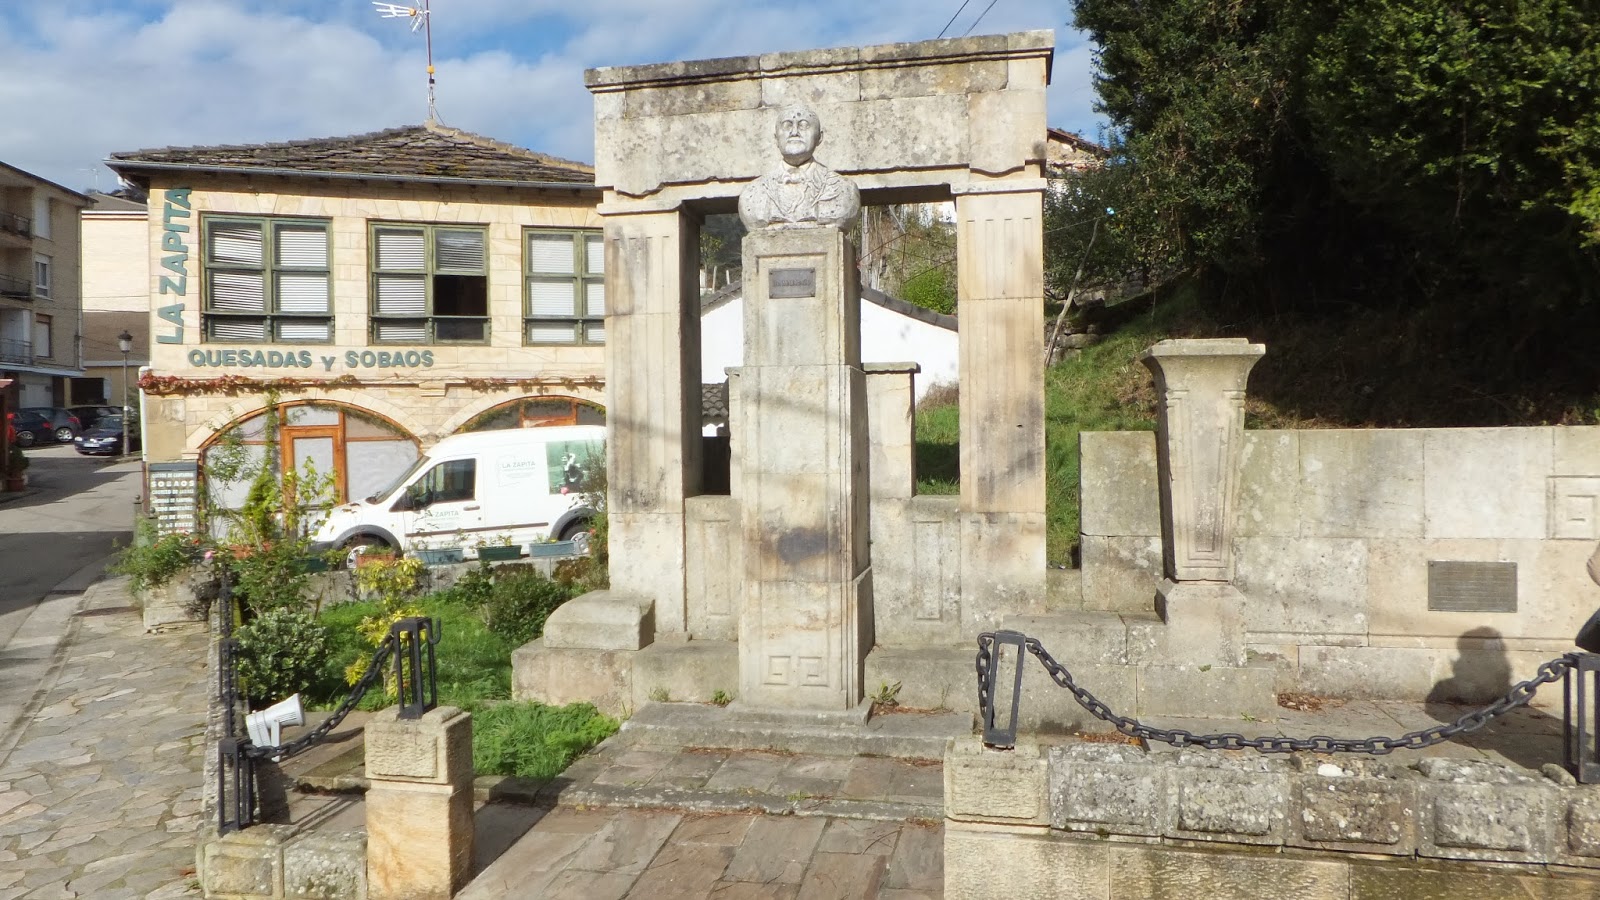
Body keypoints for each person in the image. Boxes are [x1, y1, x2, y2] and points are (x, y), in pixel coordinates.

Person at [738, 104, 860, 231]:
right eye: (787, 125)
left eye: (804, 125)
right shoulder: (752, 193)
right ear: (776, 138)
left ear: (819, 137)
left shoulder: (844, 189)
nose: (794, 132)